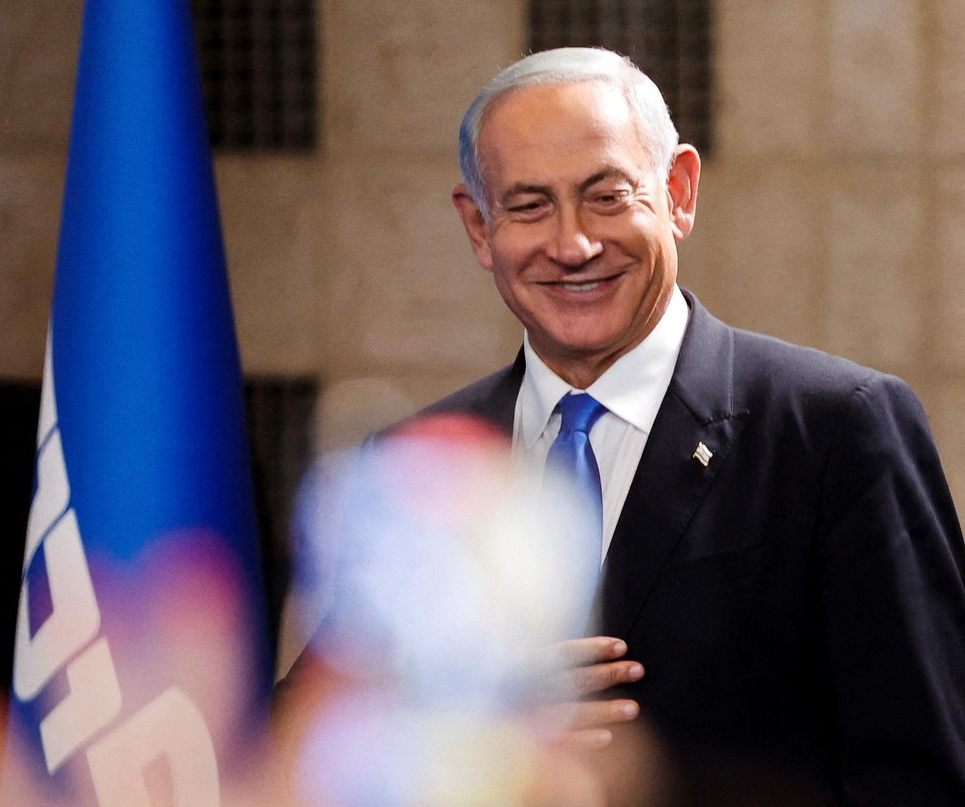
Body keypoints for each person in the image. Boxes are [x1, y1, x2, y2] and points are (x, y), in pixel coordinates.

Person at [392, 47, 965, 804]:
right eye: (530, 206)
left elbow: (922, 774)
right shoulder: (417, 467)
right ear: (478, 225)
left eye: (606, 196)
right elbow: (313, 758)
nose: (573, 245)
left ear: (678, 191)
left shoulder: (836, 430)